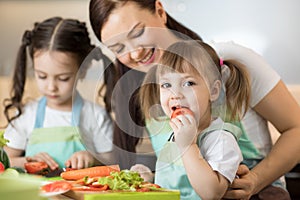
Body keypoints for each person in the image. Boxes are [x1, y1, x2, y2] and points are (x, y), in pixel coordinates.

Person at [89, 0, 300, 199]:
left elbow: (296, 129)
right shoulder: (146, 90)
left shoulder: (226, 59)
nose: (134, 54)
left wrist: (255, 179)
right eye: (118, 48)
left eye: (138, 33)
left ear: (160, 11)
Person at [139, 40, 250, 199]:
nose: (175, 94)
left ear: (213, 91)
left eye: (188, 83)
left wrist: (188, 146)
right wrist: (150, 179)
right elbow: (177, 182)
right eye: (166, 85)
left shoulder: (221, 139)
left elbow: (212, 193)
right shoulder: (176, 133)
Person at [3, 17, 114, 170]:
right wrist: (27, 161)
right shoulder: (27, 114)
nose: (51, 87)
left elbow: (113, 161)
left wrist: (92, 158)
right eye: (42, 76)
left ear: (83, 69)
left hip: (81, 194)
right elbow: (5, 160)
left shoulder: (95, 115)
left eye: (63, 78)